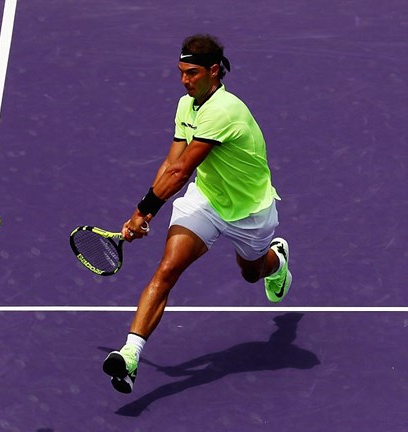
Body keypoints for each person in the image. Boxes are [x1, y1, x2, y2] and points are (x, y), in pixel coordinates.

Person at [102, 34, 292, 394]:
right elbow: (171, 162)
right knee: (167, 270)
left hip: (249, 211)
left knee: (252, 273)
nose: (185, 80)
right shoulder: (186, 106)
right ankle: (129, 355)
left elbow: (180, 172)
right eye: (181, 73)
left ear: (214, 71)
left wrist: (144, 209)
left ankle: (276, 262)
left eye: (192, 73)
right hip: (205, 201)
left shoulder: (224, 110)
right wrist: (143, 216)